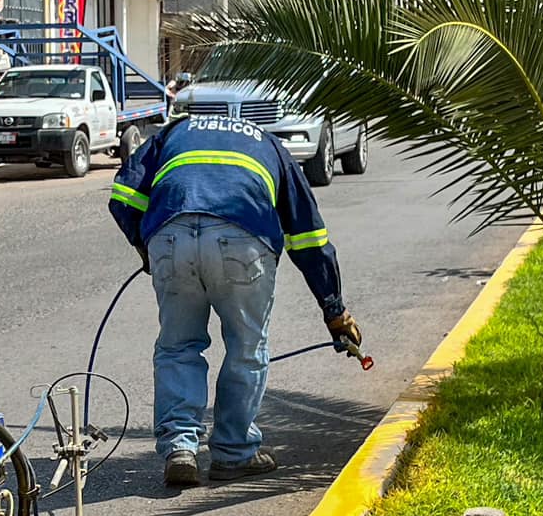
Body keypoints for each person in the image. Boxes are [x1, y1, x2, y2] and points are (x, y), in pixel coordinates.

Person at [108, 97, 361, 487]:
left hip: (171, 236)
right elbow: (310, 239)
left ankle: (180, 447)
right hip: (242, 240)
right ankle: (233, 452)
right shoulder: (269, 145)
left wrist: (146, 247)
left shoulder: (175, 132)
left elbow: (123, 196)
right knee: (247, 347)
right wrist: (334, 310)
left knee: (178, 346)